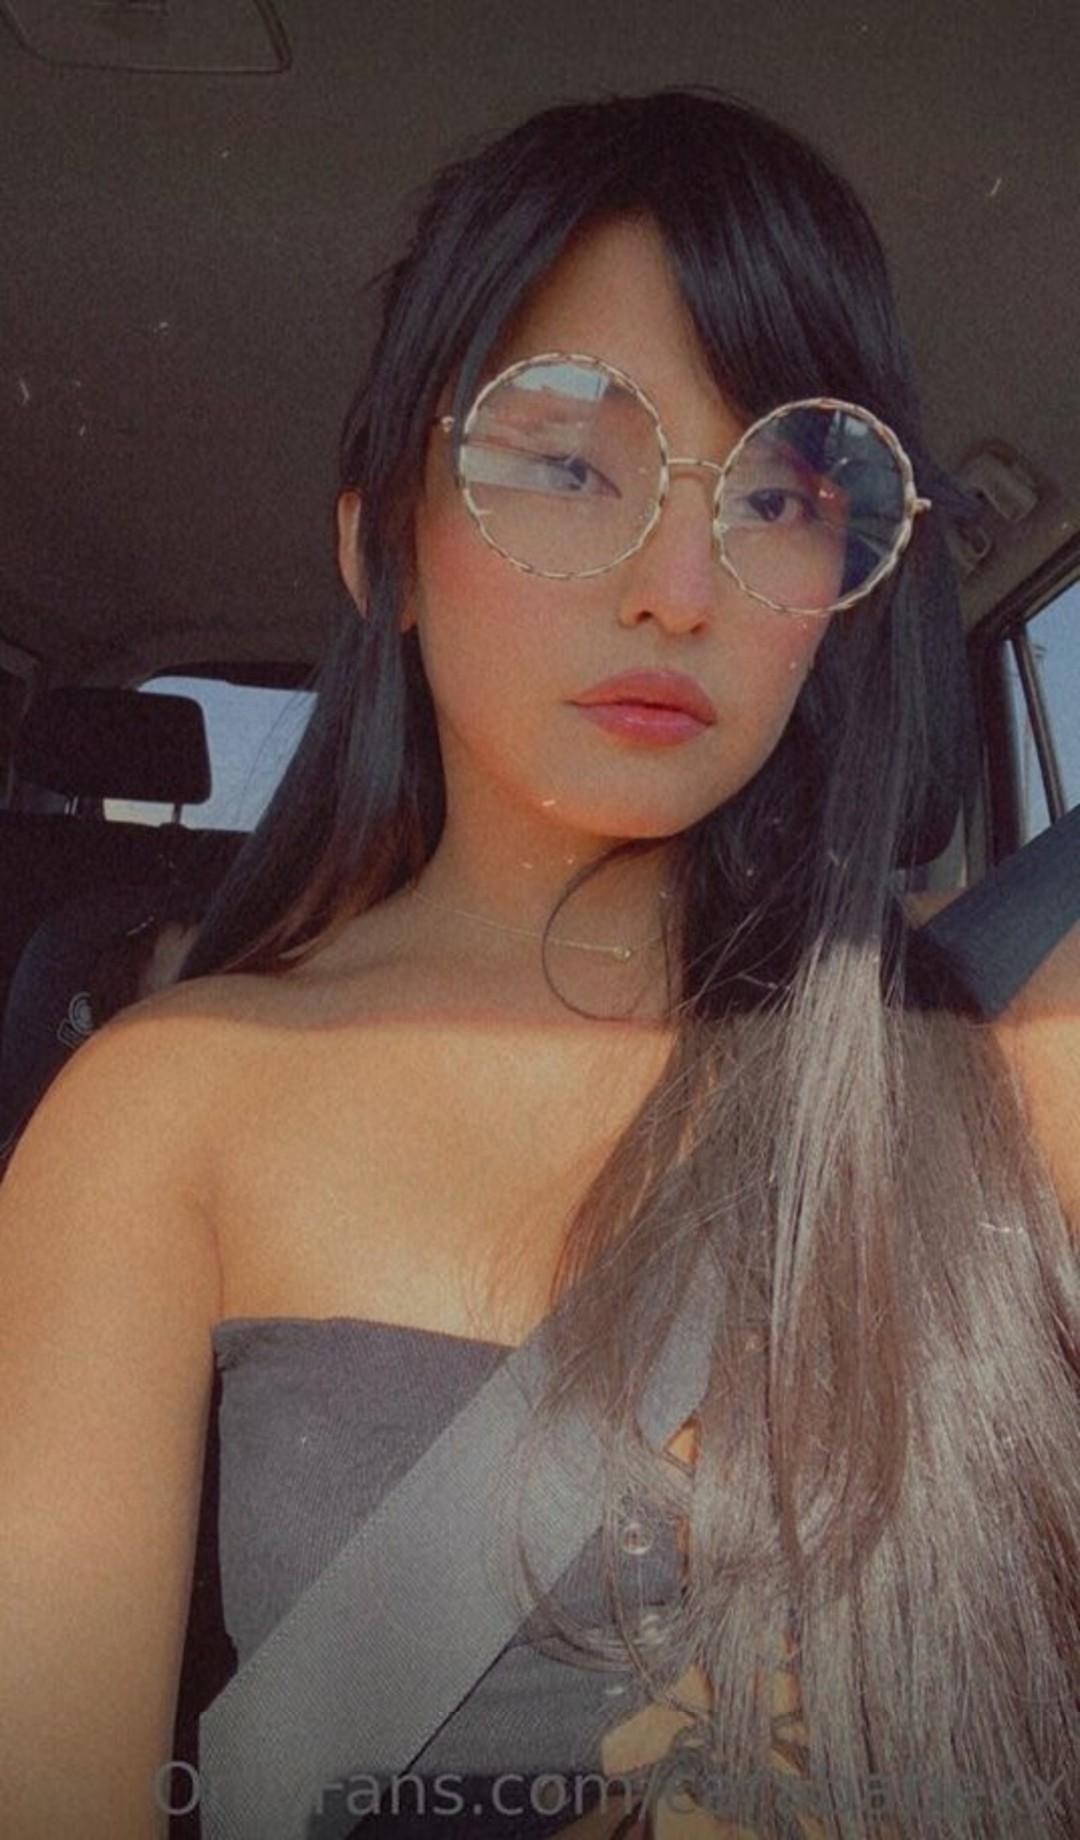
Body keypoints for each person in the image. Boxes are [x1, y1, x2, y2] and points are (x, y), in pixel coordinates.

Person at [1, 85, 1077, 1840]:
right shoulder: (165, 1112)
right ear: (387, 547)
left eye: (783, 492)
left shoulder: (991, 1071)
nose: (680, 586)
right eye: (569, 465)